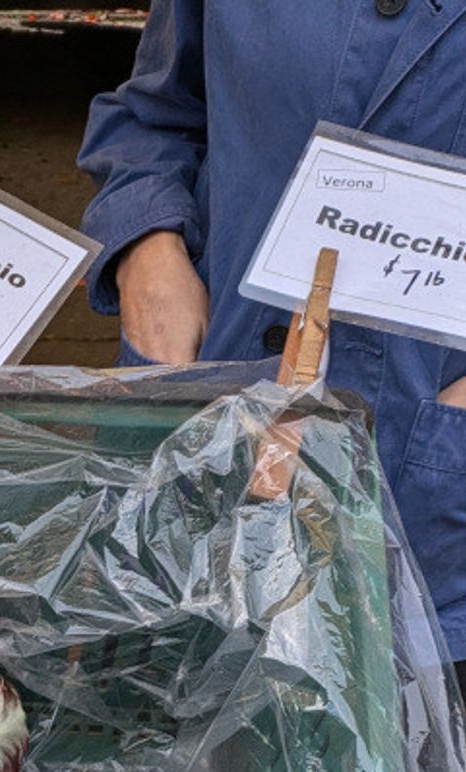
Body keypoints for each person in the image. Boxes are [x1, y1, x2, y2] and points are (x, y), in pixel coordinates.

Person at [78, 0, 466, 659]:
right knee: (167, 727)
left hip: (429, 494)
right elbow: (157, 116)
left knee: (410, 743)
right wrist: (149, 251)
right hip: (206, 436)